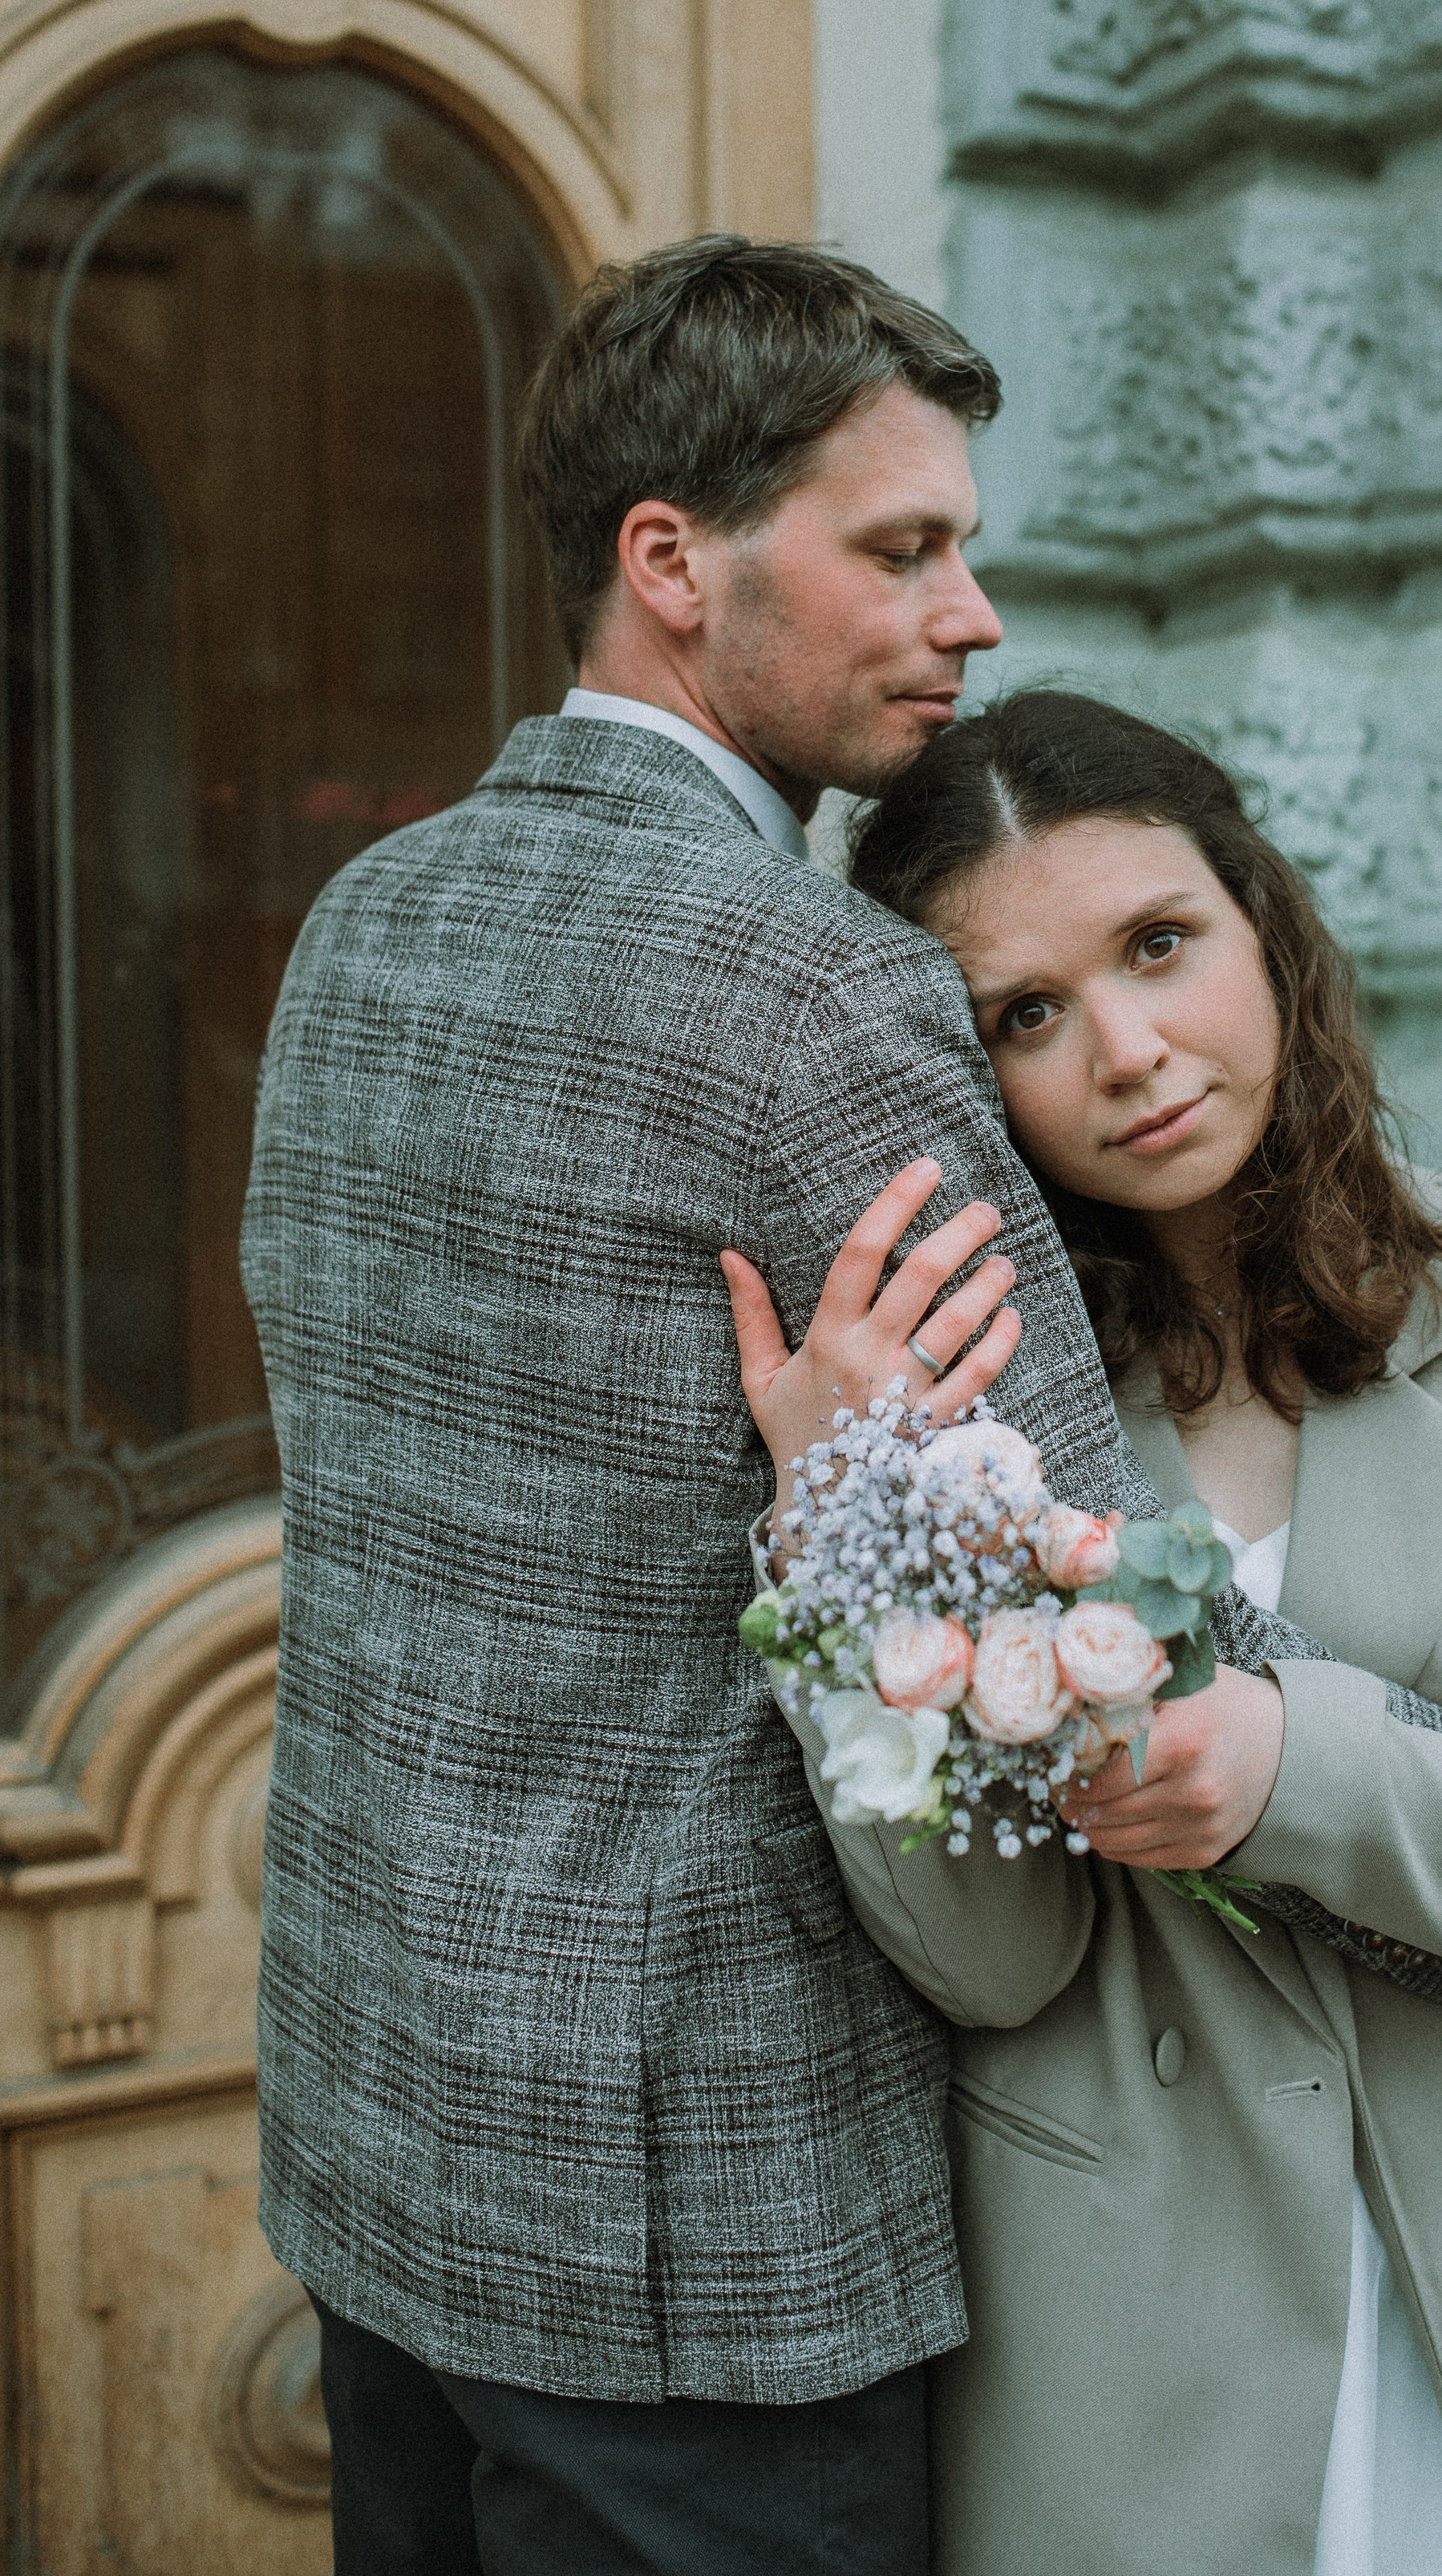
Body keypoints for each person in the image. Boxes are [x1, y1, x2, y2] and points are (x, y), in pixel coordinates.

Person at [239, 246, 1167, 2574]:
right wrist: (843, 1502)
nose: (971, 614)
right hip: (698, 2226)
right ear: (671, 560)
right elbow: (1110, 1607)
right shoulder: (823, 990)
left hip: (378, 2128)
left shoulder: (368, 917)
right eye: (900, 548)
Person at [723, 691, 1442, 2576]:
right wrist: (837, 1530)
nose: (1130, 1051)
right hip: (1110, 2334)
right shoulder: (957, 1386)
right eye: (1024, 1013)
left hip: (1421, 2272)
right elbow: (985, 1965)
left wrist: (1286, 1763)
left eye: (1158, 946)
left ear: (1261, 919)